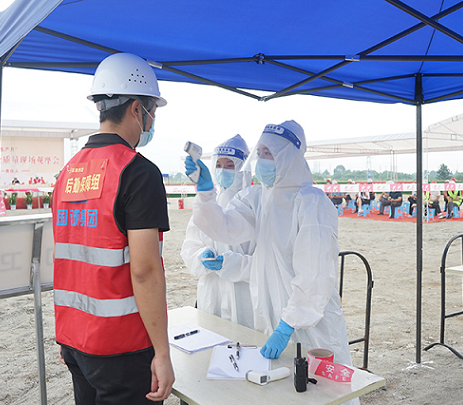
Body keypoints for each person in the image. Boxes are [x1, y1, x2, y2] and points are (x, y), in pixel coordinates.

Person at [185, 121, 356, 396]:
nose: (263, 159)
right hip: (270, 317)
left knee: (320, 392)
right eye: (260, 152)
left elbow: (315, 275)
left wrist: (288, 324)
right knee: (278, 391)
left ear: (289, 156)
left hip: (309, 323)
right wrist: (205, 194)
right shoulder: (257, 197)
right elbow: (224, 227)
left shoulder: (310, 202)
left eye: (269, 153)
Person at [51, 53, 174, 405]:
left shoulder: (68, 172)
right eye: (152, 110)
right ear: (137, 109)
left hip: (76, 340)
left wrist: (69, 337)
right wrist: (162, 352)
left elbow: (70, 256)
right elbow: (145, 270)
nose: (152, 120)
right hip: (122, 348)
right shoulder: (137, 172)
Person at [181, 135, 255, 328]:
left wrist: (234, 264)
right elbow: (189, 248)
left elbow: (268, 264)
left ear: (243, 168)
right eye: (219, 165)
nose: (223, 170)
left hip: (246, 297)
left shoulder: (255, 204)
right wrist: (201, 256)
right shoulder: (207, 203)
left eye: (230, 165)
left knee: (247, 339)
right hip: (211, 293)